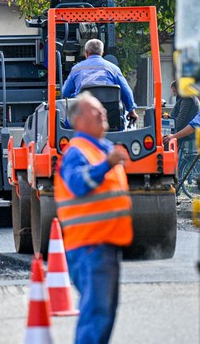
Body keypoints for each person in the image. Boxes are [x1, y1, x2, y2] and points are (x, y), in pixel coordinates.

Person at [56, 92, 133, 344]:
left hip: (105, 243)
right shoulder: (77, 152)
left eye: (102, 109)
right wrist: (106, 165)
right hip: (90, 246)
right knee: (96, 312)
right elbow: (78, 183)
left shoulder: (103, 149)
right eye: (95, 111)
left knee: (105, 312)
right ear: (78, 121)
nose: (103, 113)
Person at [61, 38, 139, 124]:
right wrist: (131, 111)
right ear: (102, 52)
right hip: (111, 119)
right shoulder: (113, 69)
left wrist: (77, 94)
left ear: (86, 53)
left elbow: (65, 93)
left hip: (84, 118)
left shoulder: (76, 69)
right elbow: (126, 92)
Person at [167, 81, 200, 179]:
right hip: (187, 130)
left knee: (168, 146)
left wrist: (171, 130)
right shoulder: (186, 97)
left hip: (186, 132)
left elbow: (181, 118)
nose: (174, 94)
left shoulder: (186, 98)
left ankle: (173, 175)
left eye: (174, 91)